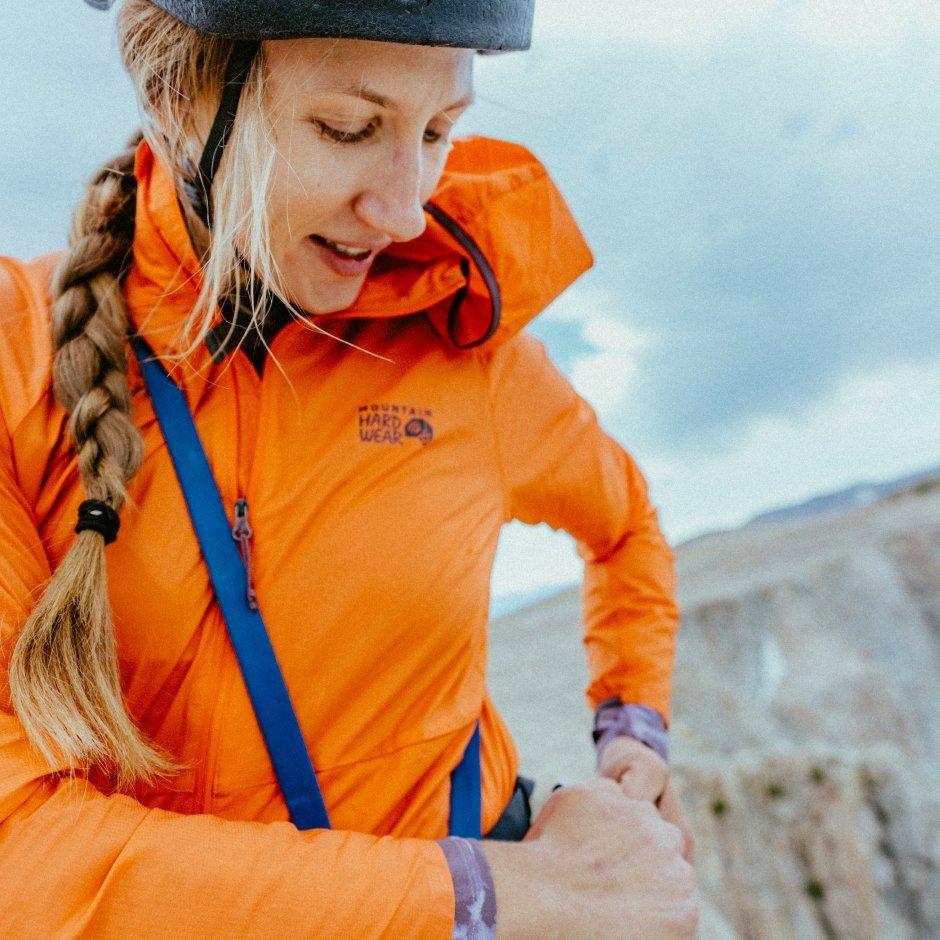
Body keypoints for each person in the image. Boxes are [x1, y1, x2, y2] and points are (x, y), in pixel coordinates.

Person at [0, 1, 698, 936]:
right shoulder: (18, 367)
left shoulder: (465, 347)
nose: (405, 206)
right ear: (176, 97)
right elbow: (19, 852)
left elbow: (626, 529)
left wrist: (633, 728)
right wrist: (491, 897)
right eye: (348, 127)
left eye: (440, 131)